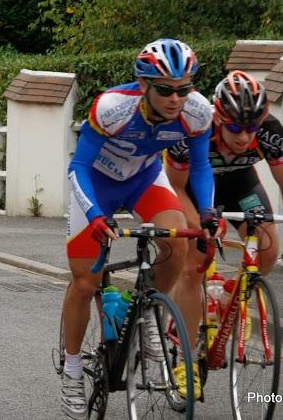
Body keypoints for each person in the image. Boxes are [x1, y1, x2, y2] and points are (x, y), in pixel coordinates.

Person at [59, 38, 224, 419]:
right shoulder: (113, 107)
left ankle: (148, 310)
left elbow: (200, 167)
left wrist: (208, 212)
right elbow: (78, 167)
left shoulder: (198, 112)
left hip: (144, 180)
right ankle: (72, 370)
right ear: (144, 85)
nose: (175, 99)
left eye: (184, 89)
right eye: (165, 90)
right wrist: (95, 214)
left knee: (177, 240)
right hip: (96, 183)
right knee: (85, 283)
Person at [166, 71, 283, 339]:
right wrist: (198, 224)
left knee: (268, 250)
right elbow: (176, 187)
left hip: (240, 184)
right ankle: (185, 349)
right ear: (218, 118)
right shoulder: (194, 130)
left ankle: (228, 297)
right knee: (194, 266)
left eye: (251, 128)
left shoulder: (271, 132)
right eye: (236, 128)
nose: (244, 137)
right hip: (194, 188)